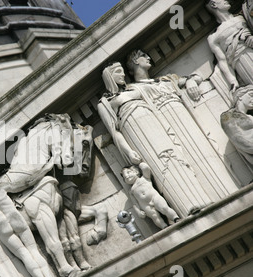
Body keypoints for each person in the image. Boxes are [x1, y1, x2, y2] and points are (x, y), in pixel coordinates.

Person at [98, 54, 238, 216]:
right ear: (108, 76)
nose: (122, 75)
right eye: (117, 72)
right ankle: (191, 204)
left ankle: (216, 193)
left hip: (154, 122)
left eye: (123, 71)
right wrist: (128, 151)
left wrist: (190, 80)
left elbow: (173, 85)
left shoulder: (135, 88)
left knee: (178, 157)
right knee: (165, 164)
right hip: (137, 131)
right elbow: (114, 132)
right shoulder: (105, 102)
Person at [205, 0, 253, 90]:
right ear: (213, 4)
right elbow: (222, 61)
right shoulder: (213, 37)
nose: (226, 0)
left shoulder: (243, 16)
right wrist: (233, 81)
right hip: (242, 63)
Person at [122, 162, 180, 230]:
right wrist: (138, 212)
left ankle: (175, 218)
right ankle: (164, 227)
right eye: (124, 176)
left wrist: (141, 165)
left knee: (164, 208)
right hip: (145, 205)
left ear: (136, 172)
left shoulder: (144, 178)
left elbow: (146, 169)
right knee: (154, 216)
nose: (126, 176)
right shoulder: (131, 191)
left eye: (128, 172)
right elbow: (135, 203)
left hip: (154, 197)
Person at [221, 85, 253, 167]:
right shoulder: (228, 117)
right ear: (240, 96)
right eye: (251, 95)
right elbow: (244, 142)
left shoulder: (249, 117)